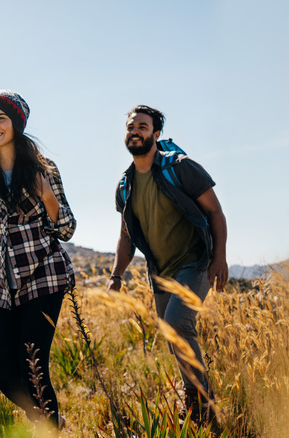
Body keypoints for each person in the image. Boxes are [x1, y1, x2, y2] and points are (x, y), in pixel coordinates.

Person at [0, 90, 76, 429]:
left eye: (0, 119)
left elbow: (67, 228)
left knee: (33, 367)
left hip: (44, 279)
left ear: (17, 124)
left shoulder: (44, 170)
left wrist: (48, 198)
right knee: (4, 375)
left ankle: (49, 429)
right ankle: (51, 422)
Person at [107, 105, 228, 423]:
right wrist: (116, 274)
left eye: (143, 127)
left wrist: (220, 258)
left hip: (195, 261)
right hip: (160, 272)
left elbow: (215, 212)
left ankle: (202, 406)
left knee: (178, 324)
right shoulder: (125, 185)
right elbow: (126, 235)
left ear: (156, 135)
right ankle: (196, 402)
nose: (135, 131)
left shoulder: (180, 167)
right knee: (173, 336)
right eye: (131, 126)